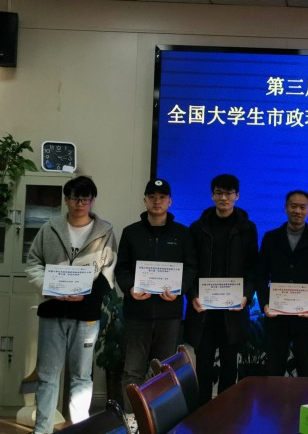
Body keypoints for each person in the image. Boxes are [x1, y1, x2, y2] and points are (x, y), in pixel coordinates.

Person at [25, 176, 117, 434]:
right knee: (47, 375)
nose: (80, 203)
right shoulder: (50, 228)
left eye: (85, 199)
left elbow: (108, 271)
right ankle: (42, 429)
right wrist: (49, 288)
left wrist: (85, 296)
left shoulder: (105, 231)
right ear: (66, 200)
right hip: (52, 311)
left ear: (92, 201)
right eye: (75, 198)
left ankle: (78, 429)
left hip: (86, 315)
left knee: (82, 376)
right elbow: (33, 263)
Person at [115, 178, 197, 415]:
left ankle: (160, 420)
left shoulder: (182, 234)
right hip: (137, 313)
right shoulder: (131, 232)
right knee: (132, 370)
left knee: (164, 371)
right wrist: (130, 287)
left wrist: (179, 288)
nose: (157, 201)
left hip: (169, 313)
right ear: (145, 200)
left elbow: (191, 267)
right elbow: (122, 268)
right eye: (152, 197)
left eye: (162, 197)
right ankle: (132, 420)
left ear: (170, 201)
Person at [183, 174, 258, 405]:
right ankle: (202, 414)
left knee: (229, 366)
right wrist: (192, 296)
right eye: (218, 193)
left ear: (237, 196)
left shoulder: (247, 228)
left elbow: (252, 267)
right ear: (212, 195)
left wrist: (246, 295)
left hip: (233, 310)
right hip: (203, 310)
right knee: (203, 366)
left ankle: (225, 413)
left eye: (228, 193)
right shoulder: (198, 228)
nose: (223, 197)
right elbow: (190, 266)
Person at [257, 190, 308, 377]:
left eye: (302, 207)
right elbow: (261, 275)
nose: (297, 210)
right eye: (293, 206)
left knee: (307, 370)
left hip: (305, 317)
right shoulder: (270, 238)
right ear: (286, 208)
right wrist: (265, 304)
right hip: (276, 316)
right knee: (274, 370)